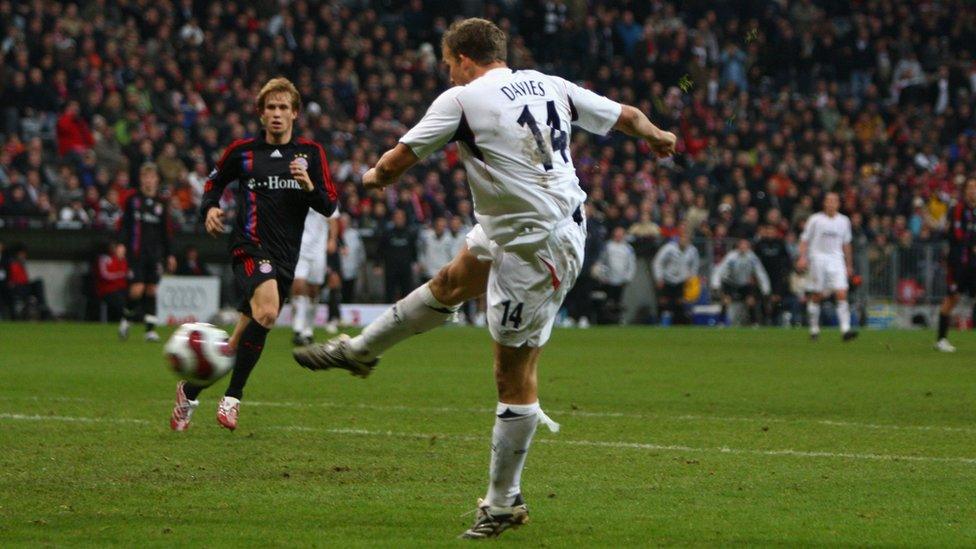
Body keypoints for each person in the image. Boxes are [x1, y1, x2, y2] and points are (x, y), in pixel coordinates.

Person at [292, 18, 676, 539]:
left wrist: (370, 178)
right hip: (515, 225)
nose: (448, 74)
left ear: (463, 59)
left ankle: (502, 502)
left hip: (537, 244)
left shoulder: (463, 98)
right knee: (452, 282)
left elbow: (396, 162)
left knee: (511, 374)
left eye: (448, 64)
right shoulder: (549, 83)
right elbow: (627, 115)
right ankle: (360, 350)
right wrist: (657, 136)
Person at [170, 77, 337, 431]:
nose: (277, 114)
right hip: (249, 246)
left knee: (236, 344)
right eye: (270, 108)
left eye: (283, 108)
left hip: (285, 259)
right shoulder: (243, 152)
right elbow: (213, 184)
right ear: (261, 114)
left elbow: (328, 204)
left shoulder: (310, 154)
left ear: (294, 114)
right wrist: (210, 209)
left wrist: (308, 185)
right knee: (269, 310)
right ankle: (233, 399)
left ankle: (190, 390)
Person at [118, 162, 176, 342]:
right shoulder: (133, 200)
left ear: (157, 180)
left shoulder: (162, 203)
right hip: (136, 252)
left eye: (152, 177)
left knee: (151, 290)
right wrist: (121, 244)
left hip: (155, 253)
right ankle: (126, 319)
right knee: (137, 289)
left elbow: (167, 231)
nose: (149, 180)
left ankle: (150, 331)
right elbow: (125, 225)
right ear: (141, 179)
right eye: (145, 177)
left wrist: (170, 254)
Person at [797, 192, 858, 341]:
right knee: (817, 295)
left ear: (838, 204)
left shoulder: (844, 221)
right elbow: (804, 240)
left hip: (837, 259)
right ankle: (814, 329)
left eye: (834, 201)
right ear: (824, 203)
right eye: (828, 201)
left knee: (841, 292)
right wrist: (802, 257)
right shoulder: (815, 220)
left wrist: (849, 265)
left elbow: (846, 243)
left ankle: (845, 330)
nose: (831, 203)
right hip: (818, 258)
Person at [935, 177, 976, 352]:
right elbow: (958, 234)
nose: (973, 191)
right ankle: (941, 339)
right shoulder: (958, 209)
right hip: (958, 262)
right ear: (965, 191)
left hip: (974, 263)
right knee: (952, 298)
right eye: (971, 187)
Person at [290, 207, 340, 346]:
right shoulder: (297, 192)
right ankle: (298, 329)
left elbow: (333, 218)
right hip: (300, 249)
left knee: (313, 291)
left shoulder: (325, 193)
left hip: (318, 250)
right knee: (298, 286)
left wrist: (332, 239)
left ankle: (308, 329)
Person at [710, 238, 771, 326]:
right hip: (730, 282)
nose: (743, 247)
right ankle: (721, 322)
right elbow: (720, 269)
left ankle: (754, 323)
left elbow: (760, 272)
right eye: (741, 245)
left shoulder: (752, 258)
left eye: (745, 245)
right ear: (738, 247)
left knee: (751, 301)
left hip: (744, 284)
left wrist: (766, 288)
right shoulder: (731, 257)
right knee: (726, 301)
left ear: (748, 247)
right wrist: (715, 284)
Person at [652, 232, 699, 324]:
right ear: (678, 239)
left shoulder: (692, 251)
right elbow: (658, 262)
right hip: (667, 279)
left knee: (680, 302)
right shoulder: (668, 248)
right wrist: (659, 277)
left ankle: (678, 324)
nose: (684, 241)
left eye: (687, 239)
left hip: (681, 280)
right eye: (682, 238)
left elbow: (695, 265)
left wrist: (691, 277)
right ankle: (659, 322)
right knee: (663, 301)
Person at [594, 225, 636, 323]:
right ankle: (606, 320)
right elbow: (601, 261)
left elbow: (631, 264)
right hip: (608, 279)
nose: (619, 235)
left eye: (621, 233)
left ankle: (618, 319)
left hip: (621, 280)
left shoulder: (628, 248)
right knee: (608, 301)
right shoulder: (607, 246)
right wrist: (602, 275)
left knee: (619, 301)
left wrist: (628, 277)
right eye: (617, 233)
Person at [754, 224, 792, 325]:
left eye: (772, 231)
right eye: (768, 231)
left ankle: (775, 319)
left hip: (777, 275)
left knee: (776, 298)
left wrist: (785, 272)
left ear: (775, 232)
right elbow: (755, 260)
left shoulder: (780, 243)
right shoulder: (759, 244)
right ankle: (764, 319)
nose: (770, 234)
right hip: (763, 274)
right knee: (764, 297)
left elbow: (787, 259)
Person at [94, 241, 129, 321]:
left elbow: (128, 274)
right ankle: (121, 320)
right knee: (118, 300)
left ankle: (130, 319)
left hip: (121, 289)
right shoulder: (104, 259)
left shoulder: (123, 260)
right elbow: (104, 275)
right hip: (107, 290)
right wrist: (121, 274)